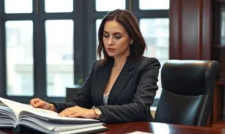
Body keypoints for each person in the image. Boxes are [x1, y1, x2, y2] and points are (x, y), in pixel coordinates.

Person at [30, 9, 161, 124]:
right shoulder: (99, 67)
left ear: (131, 38)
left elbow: (140, 108)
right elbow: (79, 104)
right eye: (106, 36)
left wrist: (95, 112)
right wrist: (51, 107)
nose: (109, 42)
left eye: (117, 36)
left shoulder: (147, 65)